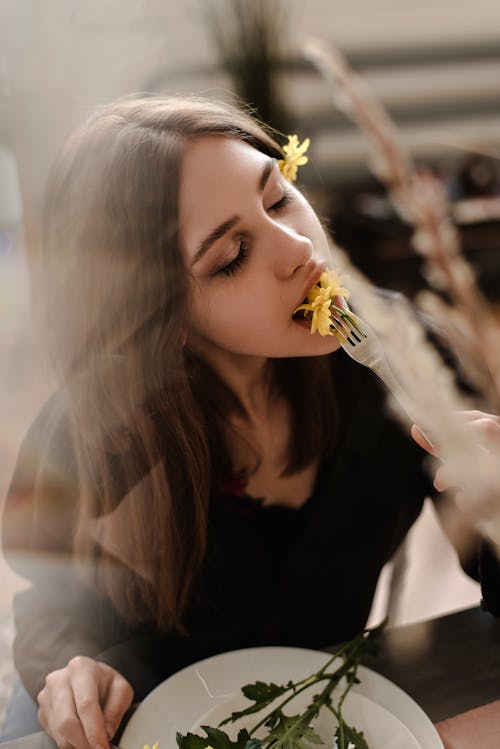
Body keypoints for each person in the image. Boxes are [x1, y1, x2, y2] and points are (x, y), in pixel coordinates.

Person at [2, 95, 500, 749]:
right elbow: (45, 592)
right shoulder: (100, 418)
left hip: (318, 704)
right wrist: (70, 663)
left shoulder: (410, 362)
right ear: (165, 315)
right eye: (232, 255)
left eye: (278, 195)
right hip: (137, 715)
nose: (298, 248)